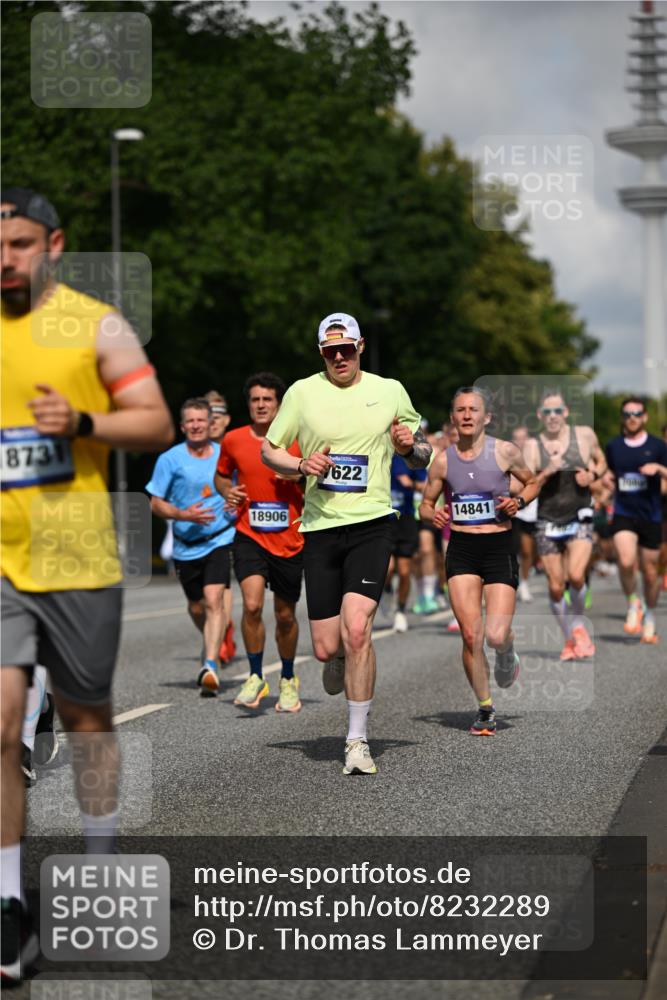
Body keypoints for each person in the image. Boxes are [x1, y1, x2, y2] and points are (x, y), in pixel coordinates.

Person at [1, 187, 174, 982]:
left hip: (77, 557)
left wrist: (81, 423)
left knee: (84, 717)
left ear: (55, 245)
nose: (7, 259)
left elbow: (154, 420)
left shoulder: (94, 322)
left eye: (22, 244)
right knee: (2, 726)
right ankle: (8, 902)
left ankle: (99, 861)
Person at [261, 312, 431, 774]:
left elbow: (422, 455)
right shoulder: (301, 392)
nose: (339, 357)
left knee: (358, 629)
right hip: (319, 528)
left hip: (373, 523)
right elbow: (270, 449)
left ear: (360, 347)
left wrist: (406, 446)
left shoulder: (390, 389)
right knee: (323, 647)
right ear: (322, 353)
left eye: (346, 348)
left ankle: (356, 740)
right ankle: (335, 657)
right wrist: (299, 466)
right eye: (329, 351)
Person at [419, 387, 538, 736]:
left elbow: (531, 483)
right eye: (461, 409)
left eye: (474, 409)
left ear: (486, 417)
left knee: (496, 634)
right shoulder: (442, 460)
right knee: (472, 634)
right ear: (454, 417)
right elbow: (426, 503)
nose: (467, 415)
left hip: (499, 546)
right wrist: (432, 516)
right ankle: (485, 708)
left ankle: (507, 650)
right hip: (462, 550)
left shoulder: (504, 452)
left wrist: (518, 502)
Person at [215, 372, 304, 711]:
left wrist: (297, 475)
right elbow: (221, 476)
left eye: (268, 399)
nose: (261, 405)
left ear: (279, 405)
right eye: (255, 400)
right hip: (249, 534)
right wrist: (229, 491)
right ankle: (255, 676)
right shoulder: (234, 439)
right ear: (248, 404)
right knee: (251, 605)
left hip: (290, 539)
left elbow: (319, 481)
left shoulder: (296, 440)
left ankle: (287, 677)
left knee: (284, 615)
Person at [146, 398, 235, 695]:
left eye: (202, 420)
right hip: (186, 544)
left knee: (214, 600)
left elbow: (241, 486)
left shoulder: (225, 455)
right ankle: (213, 638)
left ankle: (210, 663)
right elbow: (155, 502)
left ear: (210, 424)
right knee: (197, 606)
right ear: (183, 426)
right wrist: (183, 514)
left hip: (220, 538)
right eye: (191, 421)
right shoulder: (170, 460)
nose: (196, 426)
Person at [524, 389, 606, 661]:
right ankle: (569, 638)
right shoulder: (533, 446)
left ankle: (579, 623)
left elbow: (601, 461)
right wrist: (550, 469)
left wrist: (592, 474)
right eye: (547, 412)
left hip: (579, 512)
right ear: (540, 415)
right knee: (556, 586)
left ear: (566, 412)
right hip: (547, 518)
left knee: (576, 575)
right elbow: (528, 483)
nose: (553, 417)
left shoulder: (584, 434)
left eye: (557, 411)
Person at [604, 398, 667, 643]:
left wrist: (658, 468)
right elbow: (608, 472)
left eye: (637, 413)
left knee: (650, 573)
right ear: (623, 417)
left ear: (645, 417)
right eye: (627, 413)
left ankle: (650, 616)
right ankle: (633, 602)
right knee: (626, 560)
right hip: (623, 512)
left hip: (650, 515)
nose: (632, 417)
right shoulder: (614, 446)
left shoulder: (658, 446)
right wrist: (606, 480)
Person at [204, 389, 236, 663]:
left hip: (231, 525)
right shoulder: (194, 448)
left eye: (218, 415)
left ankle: (223, 633)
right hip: (200, 528)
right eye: (208, 414)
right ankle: (220, 628)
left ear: (227, 419)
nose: (213, 420)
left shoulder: (234, 444)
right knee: (199, 602)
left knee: (222, 586)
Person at [387, 454, 425, 632]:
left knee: (403, 571)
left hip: (405, 520)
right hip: (382, 521)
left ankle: (400, 611)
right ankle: (386, 590)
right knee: (386, 569)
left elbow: (425, 486)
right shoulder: (377, 451)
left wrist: (410, 483)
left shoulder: (411, 457)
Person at [511, 426, 539, 603]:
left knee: (528, 550)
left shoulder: (534, 456)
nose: (520, 441)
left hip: (530, 509)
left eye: (523, 438)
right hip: (513, 509)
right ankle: (513, 583)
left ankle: (525, 582)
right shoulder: (508, 457)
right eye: (516, 438)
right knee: (513, 549)